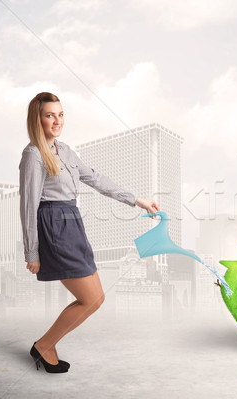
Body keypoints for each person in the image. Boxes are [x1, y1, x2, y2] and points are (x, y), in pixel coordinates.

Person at [20, 92, 159, 373]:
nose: (57, 121)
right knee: (92, 299)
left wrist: (136, 199)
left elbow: (96, 179)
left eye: (60, 114)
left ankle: (46, 344)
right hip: (54, 226)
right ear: (37, 119)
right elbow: (28, 205)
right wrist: (32, 251)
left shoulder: (67, 151)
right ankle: (45, 345)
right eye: (50, 115)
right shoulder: (33, 154)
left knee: (95, 298)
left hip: (73, 223)